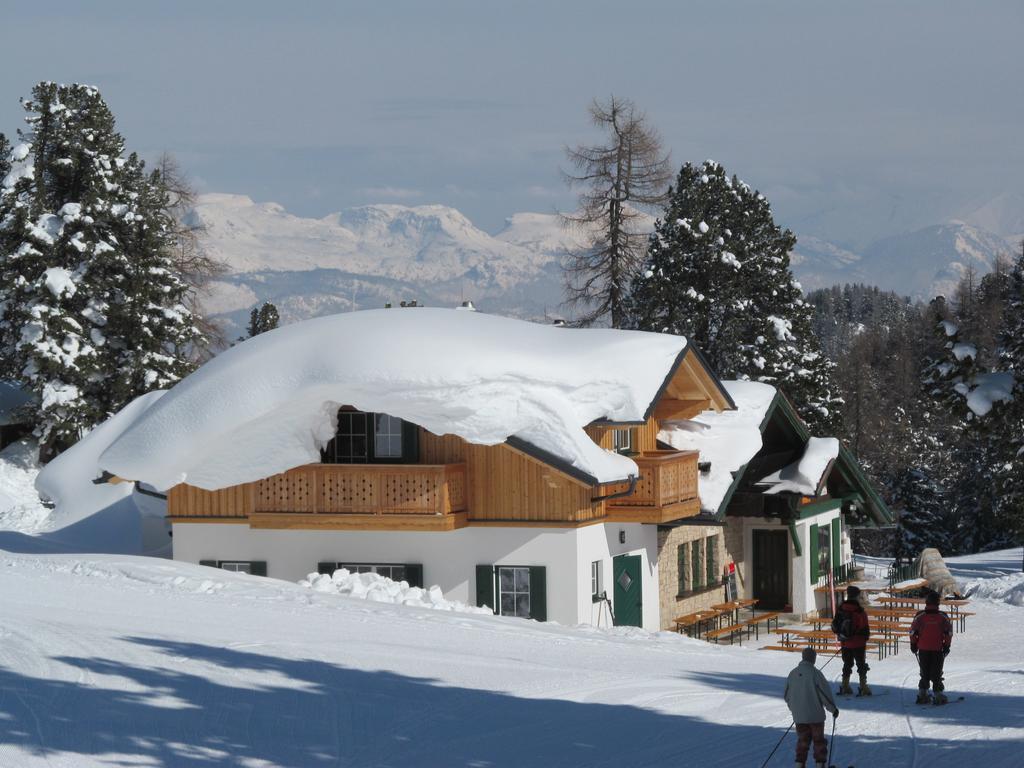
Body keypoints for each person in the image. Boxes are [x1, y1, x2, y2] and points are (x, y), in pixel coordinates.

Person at [784, 646, 839, 768]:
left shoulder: (792, 673)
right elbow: (825, 694)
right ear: (813, 659)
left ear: (803, 658)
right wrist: (833, 709)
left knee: (803, 741)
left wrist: (796, 709)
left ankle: (799, 764)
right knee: (818, 741)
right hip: (816, 717)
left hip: (799, 717)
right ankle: (819, 765)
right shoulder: (816, 674)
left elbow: (787, 696)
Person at [910, 590, 953, 704]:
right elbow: (948, 632)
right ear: (938, 603)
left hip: (923, 648)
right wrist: (947, 645)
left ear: (927, 602)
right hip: (938, 648)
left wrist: (913, 644)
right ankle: (938, 694)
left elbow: (913, 632)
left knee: (924, 670)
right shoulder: (943, 616)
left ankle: (922, 693)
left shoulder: (920, 616)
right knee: (937, 671)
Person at [833, 584, 871, 695]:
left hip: (845, 642)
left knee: (847, 664)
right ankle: (863, 687)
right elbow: (865, 629)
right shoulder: (860, 611)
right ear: (856, 596)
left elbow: (836, 625)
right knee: (861, 665)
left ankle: (845, 686)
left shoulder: (841, 609)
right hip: (858, 642)